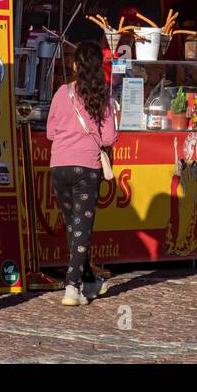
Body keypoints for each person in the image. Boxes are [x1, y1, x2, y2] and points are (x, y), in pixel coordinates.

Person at [47, 40, 118, 306]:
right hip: (86, 167)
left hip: (59, 166)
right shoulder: (104, 97)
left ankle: (87, 280)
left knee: (73, 227)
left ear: (75, 65)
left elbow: (50, 132)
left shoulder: (61, 93)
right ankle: (72, 286)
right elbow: (109, 137)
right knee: (82, 228)